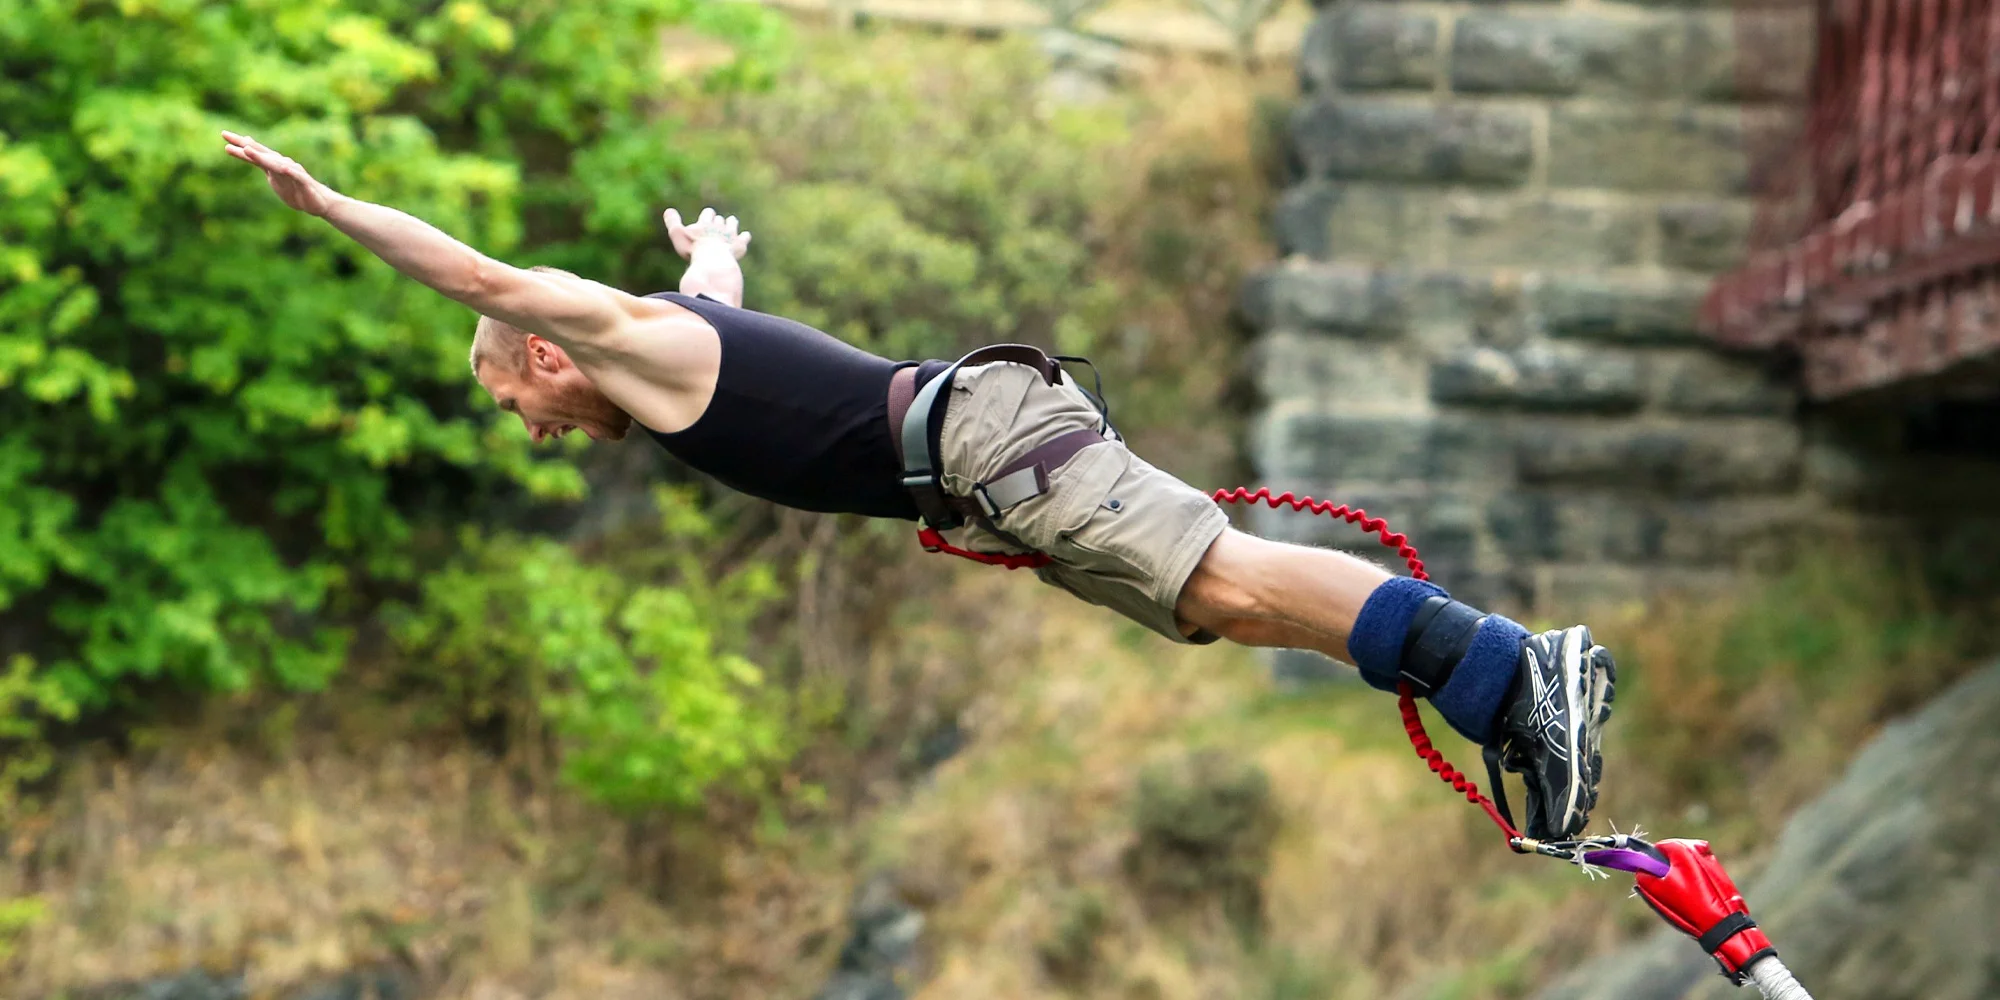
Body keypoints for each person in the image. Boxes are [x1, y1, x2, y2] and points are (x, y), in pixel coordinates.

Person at [223, 130, 1616, 841]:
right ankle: (1494, 682)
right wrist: (717, 248)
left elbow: (471, 274)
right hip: (976, 460)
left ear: (545, 349)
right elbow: (716, 305)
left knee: (1221, 574)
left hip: (982, 437)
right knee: (1220, 613)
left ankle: (1510, 673)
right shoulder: (662, 342)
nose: (530, 427)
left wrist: (330, 207)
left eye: (514, 397)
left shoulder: (621, 340)